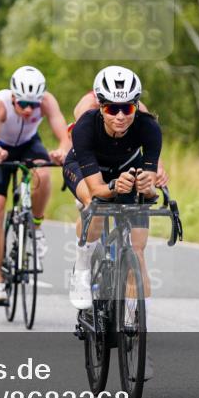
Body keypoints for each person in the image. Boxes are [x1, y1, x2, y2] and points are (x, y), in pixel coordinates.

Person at [63, 66, 161, 313]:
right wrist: (114, 186)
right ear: (101, 107)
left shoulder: (148, 127)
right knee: (94, 207)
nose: (120, 116)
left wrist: (146, 187)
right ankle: (82, 269)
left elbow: (151, 191)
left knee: (138, 245)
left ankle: (133, 312)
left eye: (127, 108)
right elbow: (97, 189)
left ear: (136, 107)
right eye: (111, 109)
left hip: (126, 168)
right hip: (88, 169)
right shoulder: (86, 125)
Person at [0, 66, 70, 304]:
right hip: (2, 147)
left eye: (34, 104)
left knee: (43, 173)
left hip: (30, 144)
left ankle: (36, 229)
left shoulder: (47, 101)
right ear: (13, 97)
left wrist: (62, 152)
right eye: (23, 104)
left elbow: (65, 138)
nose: (29, 109)